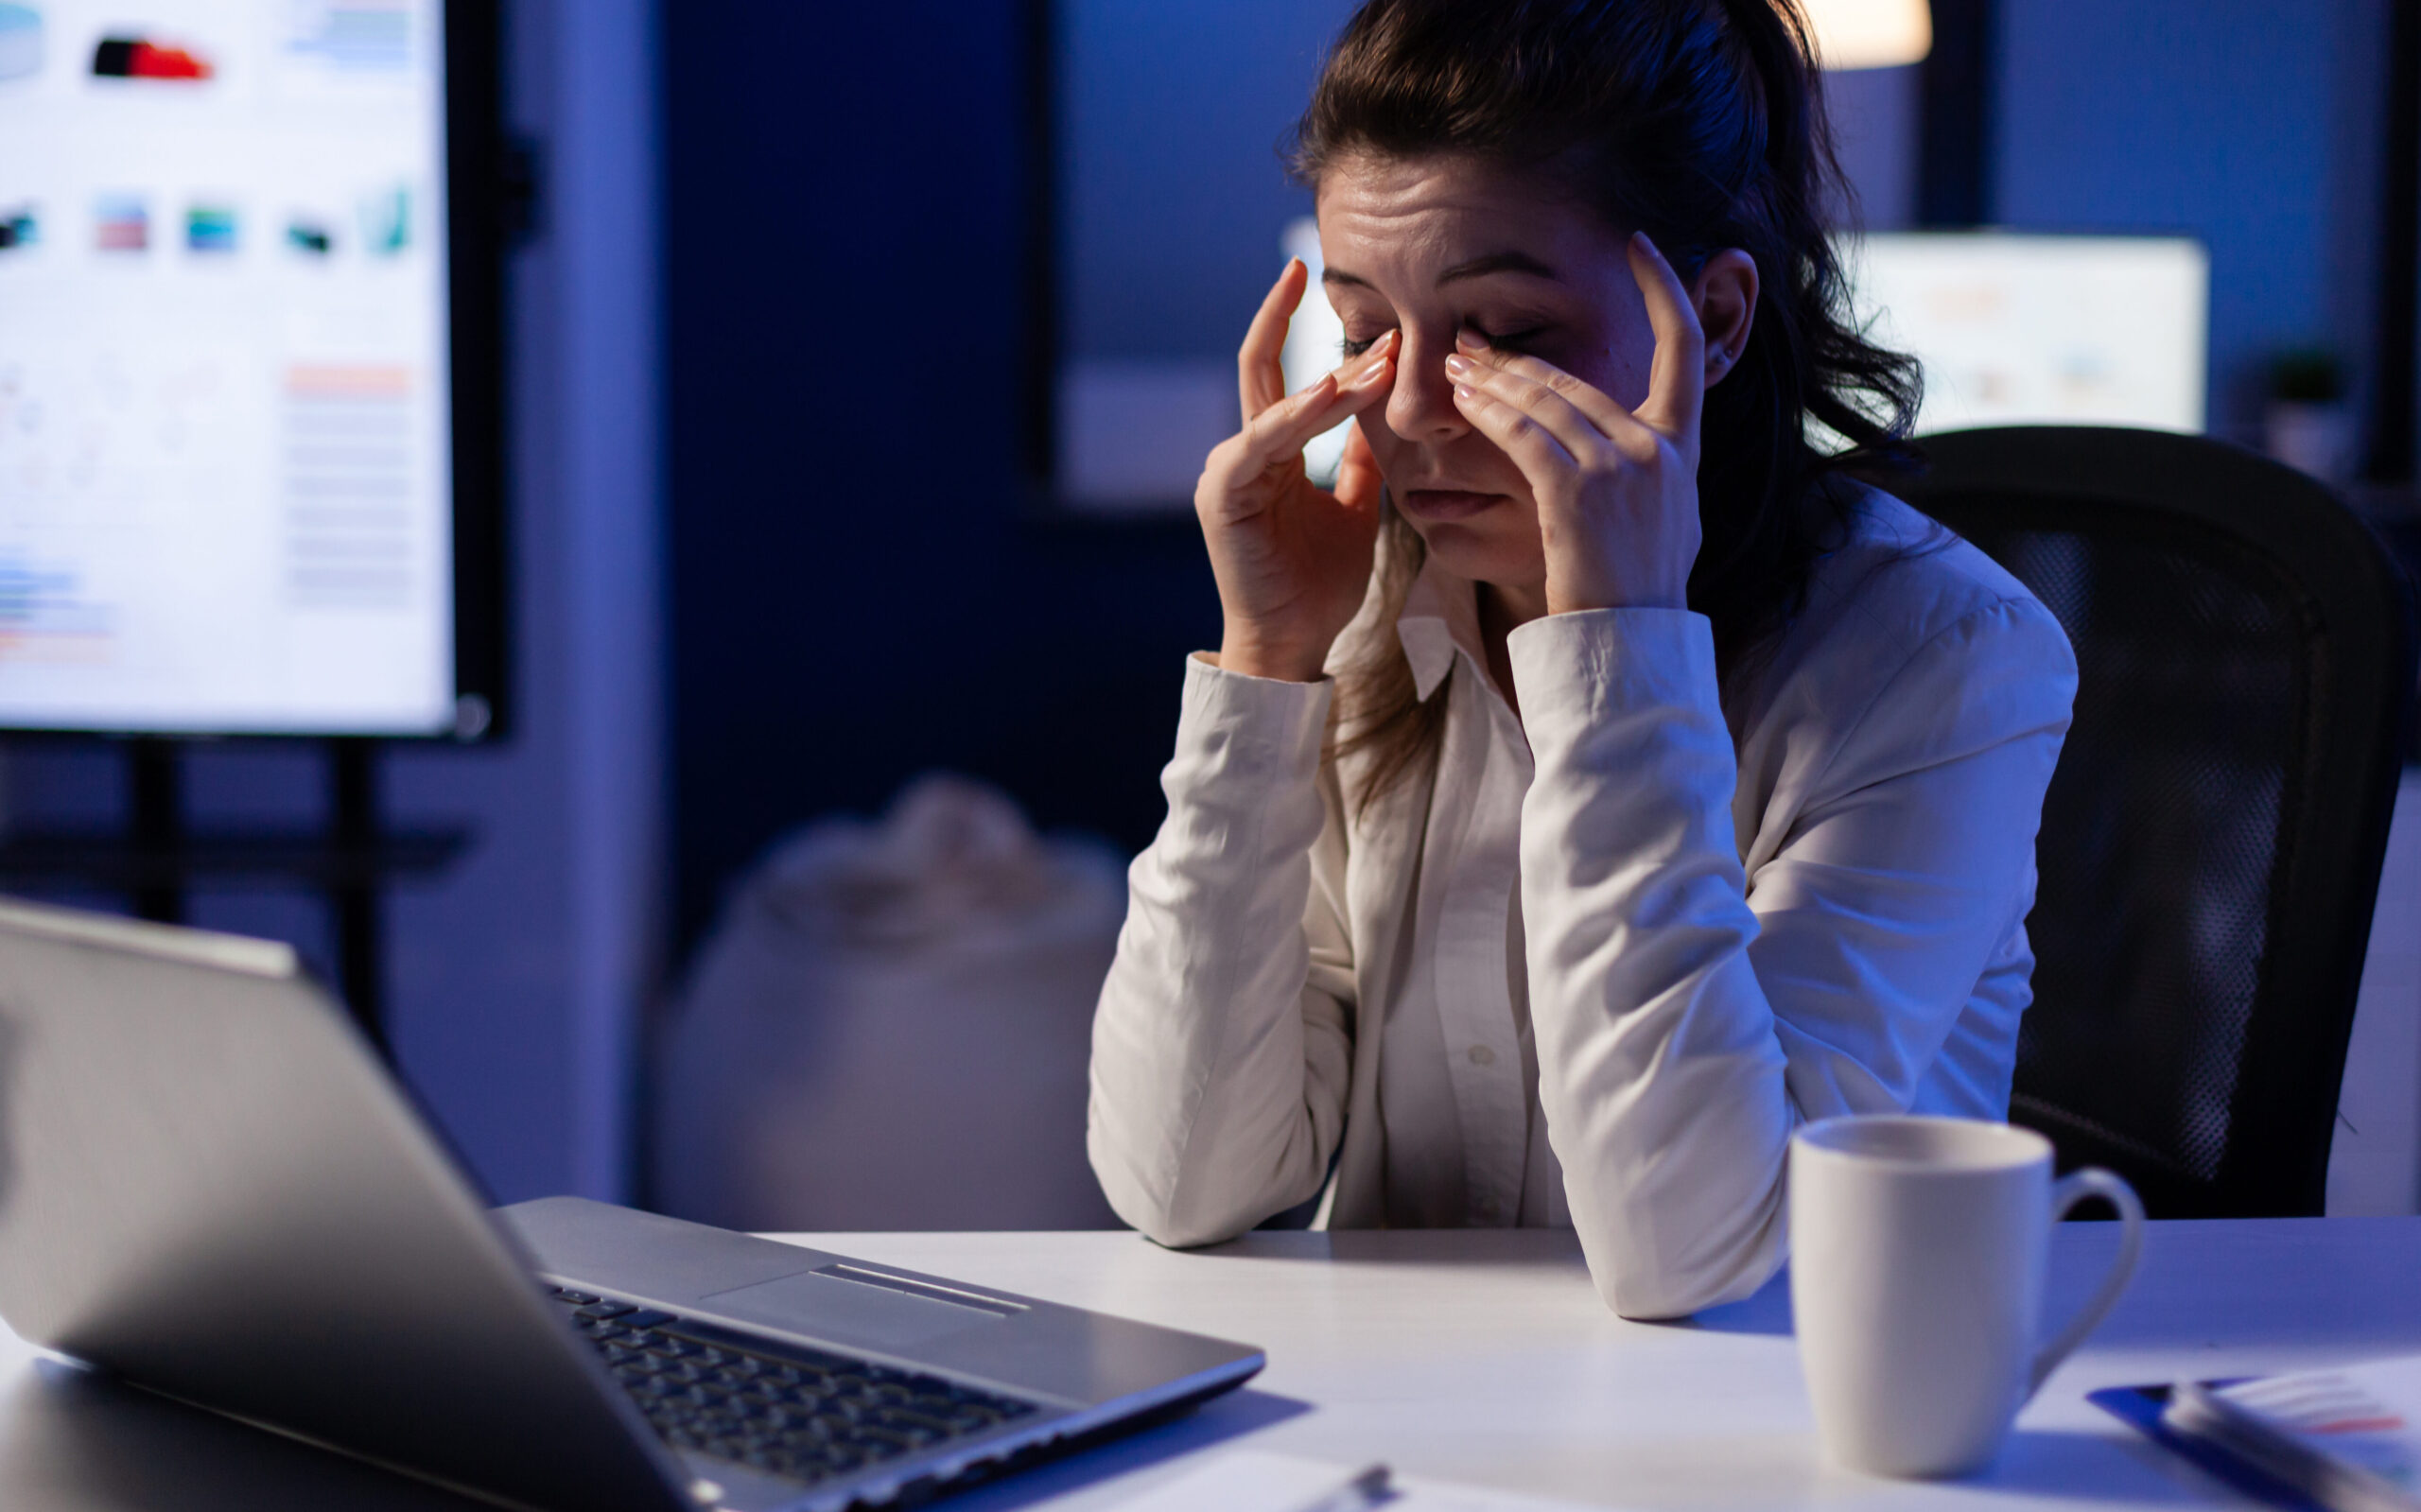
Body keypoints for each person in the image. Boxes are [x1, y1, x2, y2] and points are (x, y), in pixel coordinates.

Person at [1086, 0, 2078, 1319]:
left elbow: (1695, 1250)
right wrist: (1267, 667)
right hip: (1412, 1423)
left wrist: (1614, 658)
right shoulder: (1378, 599)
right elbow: (1179, 1181)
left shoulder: (1948, 661)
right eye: (1365, 329)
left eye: (1506, 332)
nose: (1414, 410)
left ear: (1714, 321)